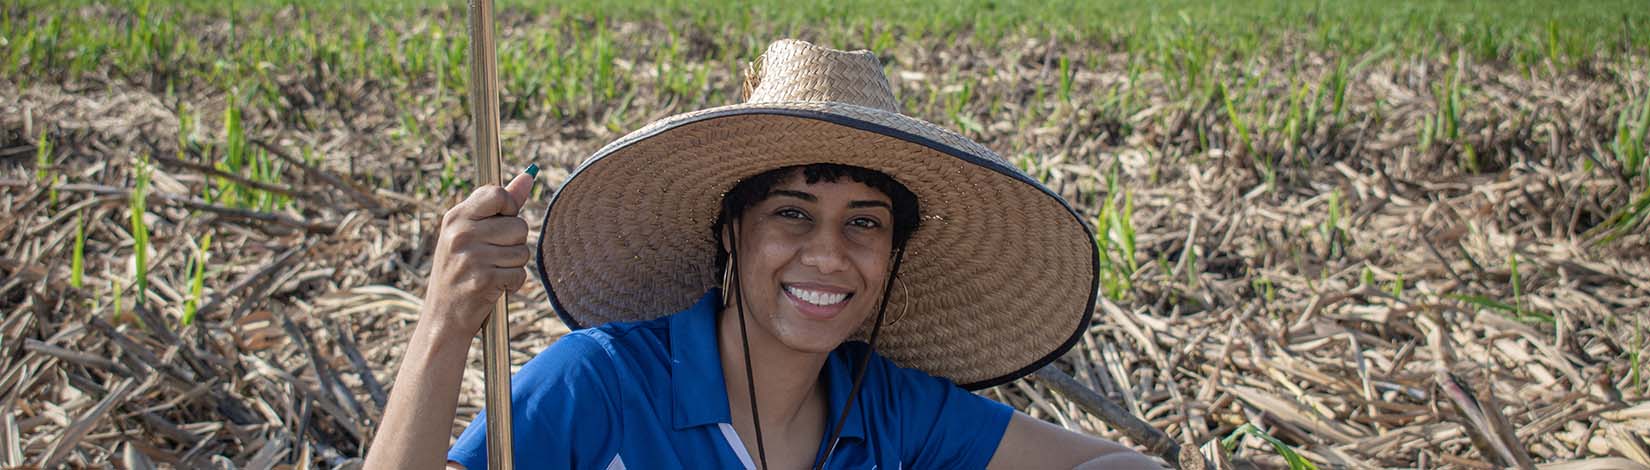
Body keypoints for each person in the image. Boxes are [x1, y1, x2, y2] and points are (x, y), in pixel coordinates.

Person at [365, 39, 1159, 469]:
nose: (827, 256)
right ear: (728, 231)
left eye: (865, 223)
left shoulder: (886, 410)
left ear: (893, 253)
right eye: (791, 213)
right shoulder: (600, 385)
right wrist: (445, 319)